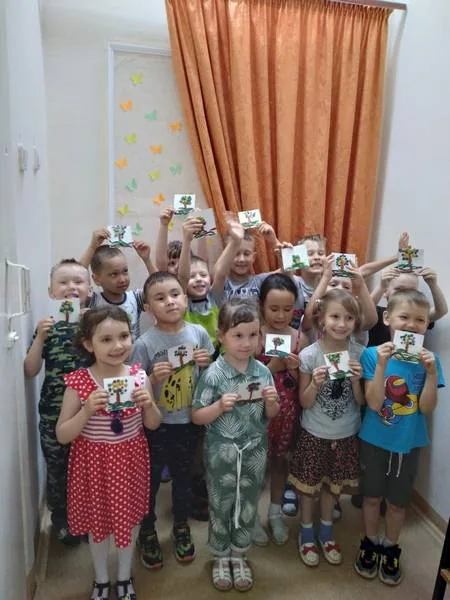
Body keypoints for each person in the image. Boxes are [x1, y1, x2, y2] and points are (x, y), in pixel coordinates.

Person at [56, 306, 162, 600]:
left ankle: (125, 577)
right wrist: (87, 410)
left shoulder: (139, 376)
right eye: (106, 339)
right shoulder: (79, 382)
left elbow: (153, 424)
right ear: (88, 344)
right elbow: (62, 434)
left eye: (124, 336)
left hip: (130, 463)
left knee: (130, 521)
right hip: (93, 466)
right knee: (98, 525)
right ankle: (101, 579)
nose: (117, 346)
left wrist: (148, 404)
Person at [354, 290, 445, 586]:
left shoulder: (431, 361)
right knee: (371, 497)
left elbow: (427, 408)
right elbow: (374, 403)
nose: (411, 325)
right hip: (374, 440)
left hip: (408, 443)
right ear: (387, 318)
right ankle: (369, 543)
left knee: (397, 503)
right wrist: (382, 365)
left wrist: (431, 374)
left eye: (420, 320)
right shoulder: (371, 355)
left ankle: (391, 547)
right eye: (404, 317)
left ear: (427, 325)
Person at [192, 298, 279, 592]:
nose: (246, 342)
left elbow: (272, 413)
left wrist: (271, 402)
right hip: (221, 453)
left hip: (254, 451)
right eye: (238, 335)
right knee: (221, 503)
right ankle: (220, 556)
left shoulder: (263, 372)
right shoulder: (213, 374)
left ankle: (239, 554)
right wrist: (218, 406)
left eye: (253, 335)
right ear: (221, 336)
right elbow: (197, 416)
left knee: (249, 503)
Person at [130, 272, 214, 570]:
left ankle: (181, 525)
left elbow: (208, 375)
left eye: (175, 294)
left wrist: (206, 364)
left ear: (185, 299)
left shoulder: (198, 334)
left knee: (184, 478)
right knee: (150, 482)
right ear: (147, 308)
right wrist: (152, 378)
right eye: (160, 297)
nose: (170, 301)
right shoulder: (144, 343)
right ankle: (147, 530)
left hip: (190, 422)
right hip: (156, 426)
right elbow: (132, 387)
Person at [288, 289, 365, 567]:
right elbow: (305, 402)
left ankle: (326, 530)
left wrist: (356, 381)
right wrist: (314, 384)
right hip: (314, 432)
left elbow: (361, 402)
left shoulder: (360, 353)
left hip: (345, 433)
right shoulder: (310, 354)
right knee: (308, 487)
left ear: (356, 321)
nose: (342, 324)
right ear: (322, 319)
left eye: (349, 318)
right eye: (335, 316)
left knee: (334, 487)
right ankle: (306, 531)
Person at [24, 258, 91, 545]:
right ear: (51, 292)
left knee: (87, 468)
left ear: (89, 289)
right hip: (53, 413)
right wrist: (40, 337)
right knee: (58, 468)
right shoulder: (47, 327)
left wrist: (94, 326)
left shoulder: (94, 324)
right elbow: (30, 369)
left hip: (89, 412)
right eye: (63, 282)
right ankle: (61, 519)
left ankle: (85, 516)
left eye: (78, 281)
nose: (71, 287)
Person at [252, 274, 308, 546]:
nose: (281, 315)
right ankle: (251, 518)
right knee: (255, 466)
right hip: (257, 412)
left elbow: (303, 384)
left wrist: (295, 371)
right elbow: (244, 380)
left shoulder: (299, 338)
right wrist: (271, 367)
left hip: (287, 413)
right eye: (274, 308)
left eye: (287, 309)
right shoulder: (254, 335)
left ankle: (275, 514)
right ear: (261, 305)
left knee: (279, 462)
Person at [79, 229, 155, 341]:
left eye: (125, 271)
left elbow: (158, 287)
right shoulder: (93, 301)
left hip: (133, 352)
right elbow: (76, 276)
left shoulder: (135, 298)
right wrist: (92, 247)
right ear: (97, 279)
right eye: (114, 274)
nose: (122, 279)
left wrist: (147, 260)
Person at [221, 222, 280, 299]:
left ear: (254, 257)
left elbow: (289, 268)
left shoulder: (260, 282)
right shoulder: (220, 283)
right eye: (236, 254)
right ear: (226, 256)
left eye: (246, 254)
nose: (241, 259)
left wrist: (274, 241)